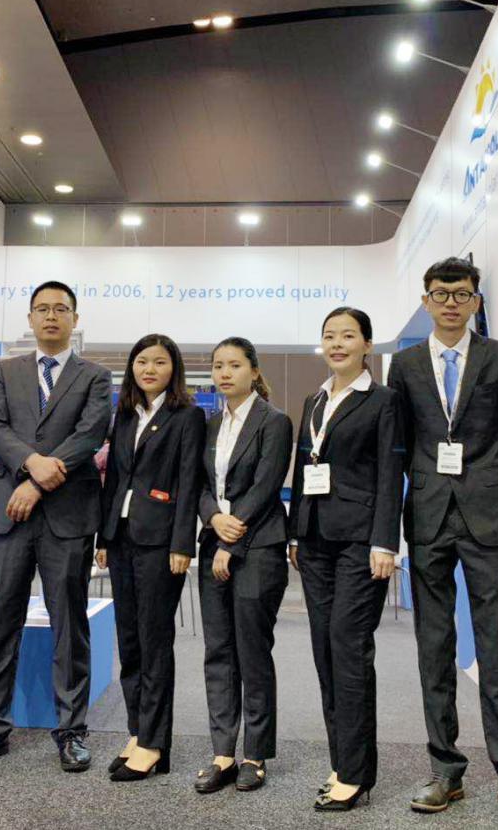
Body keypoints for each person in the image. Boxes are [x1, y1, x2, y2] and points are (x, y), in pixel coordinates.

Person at [386, 257, 498, 827]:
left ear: (476, 301)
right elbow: (401, 442)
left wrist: (485, 482)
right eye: (440, 293)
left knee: (497, 642)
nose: (450, 302)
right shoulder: (404, 365)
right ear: (426, 301)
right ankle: (445, 770)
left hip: (486, 514)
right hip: (429, 515)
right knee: (434, 645)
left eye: (461, 294)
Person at [0, 281, 113, 774]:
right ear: (30, 318)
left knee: (70, 624)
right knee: (1, 619)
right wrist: (31, 465)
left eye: (60, 309)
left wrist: (39, 482)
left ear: (74, 319)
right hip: (8, 512)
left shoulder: (95, 376)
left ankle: (72, 731)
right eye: (42, 309)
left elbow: (90, 434)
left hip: (67, 515)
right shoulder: (5, 372)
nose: (51, 316)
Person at [288, 306, 399, 812]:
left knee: (348, 647)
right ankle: (343, 761)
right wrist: (295, 532)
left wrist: (385, 542)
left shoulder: (383, 400)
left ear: (367, 345)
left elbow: (389, 473)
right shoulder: (315, 399)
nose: (337, 344)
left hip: (360, 541)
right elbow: (302, 467)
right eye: (329, 336)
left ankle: (356, 774)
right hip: (314, 540)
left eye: (348, 336)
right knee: (325, 650)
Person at [96, 333, 205, 782]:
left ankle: (155, 744)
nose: (149, 369)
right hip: (121, 537)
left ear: (173, 368)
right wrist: (103, 537)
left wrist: (183, 544)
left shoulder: (187, 416)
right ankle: (138, 731)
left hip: (161, 542)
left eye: (159, 362)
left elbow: (189, 481)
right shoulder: (124, 414)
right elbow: (114, 480)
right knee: (130, 641)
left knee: (154, 641)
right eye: (142, 361)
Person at [193, 337, 292, 794]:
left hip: (258, 547)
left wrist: (231, 540)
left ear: (253, 370)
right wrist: (213, 519)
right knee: (218, 652)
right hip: (214, 540)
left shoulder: (274, 421)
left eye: (234, 365)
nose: (225, 373)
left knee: (252, 653)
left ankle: (255, 753)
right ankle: (223, 753)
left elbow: (266, 487)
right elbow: (199, 484)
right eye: (218, 366)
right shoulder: (210, 424)